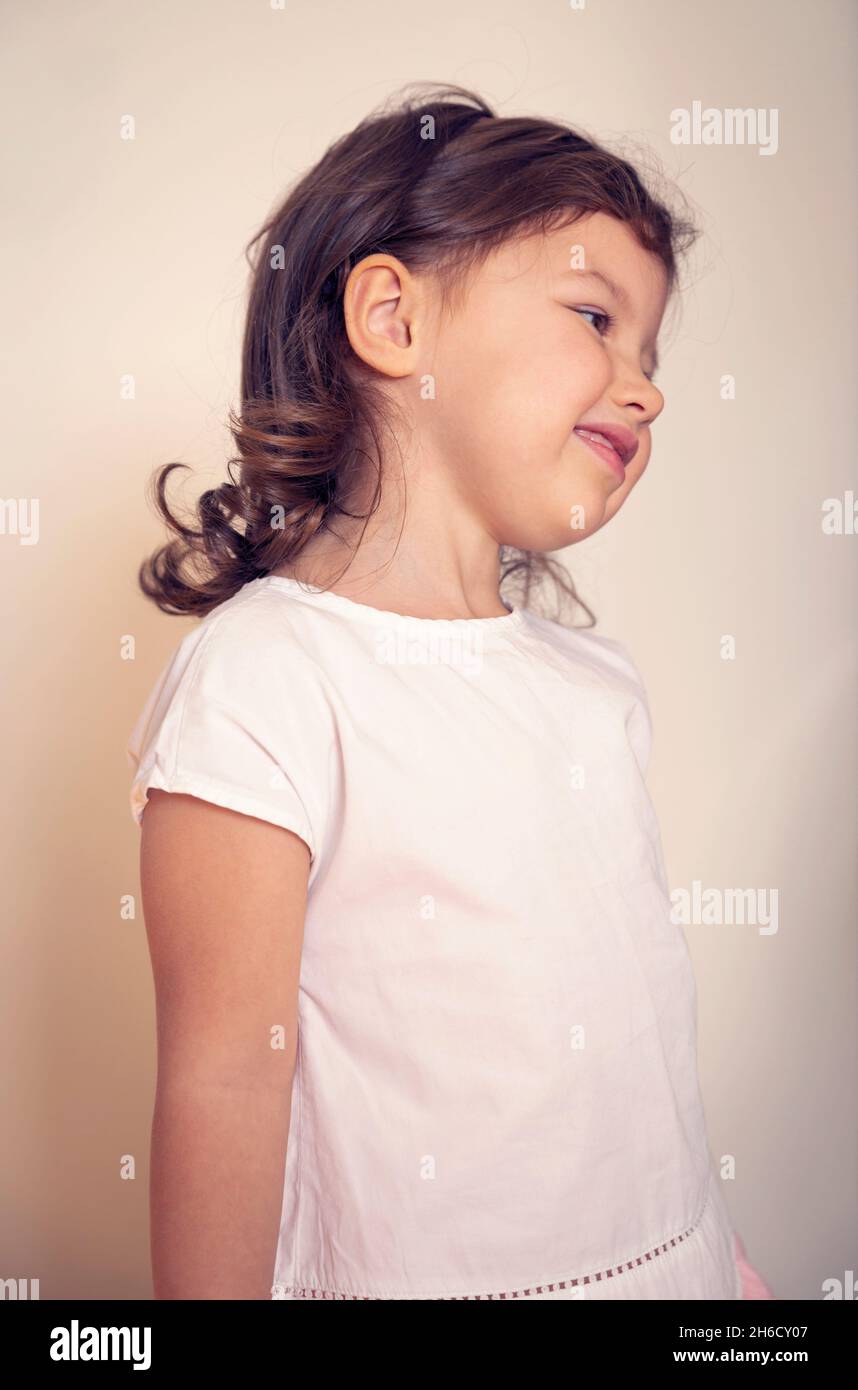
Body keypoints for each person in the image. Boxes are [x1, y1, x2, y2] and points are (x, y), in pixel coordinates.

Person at [127, 83, 774, 1301]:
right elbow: (224, 1077)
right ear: (394, 317)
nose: (646, 386)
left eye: (650, 352)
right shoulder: (274, 679)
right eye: (596, 316)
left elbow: (635, 1043)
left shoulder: (596, 684)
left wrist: (719, 1268)